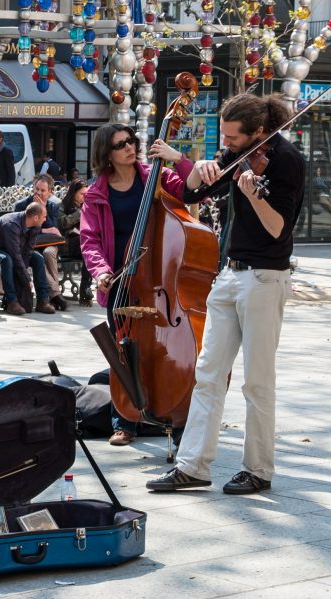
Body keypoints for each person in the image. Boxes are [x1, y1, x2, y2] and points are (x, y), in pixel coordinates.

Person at [146, 94, 305, 495]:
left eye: (234, 138)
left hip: (266, 278)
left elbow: (279, 230)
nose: (227, 144)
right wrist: (198, 174)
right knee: (208, 375)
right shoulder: (238, 150)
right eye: (227, 138)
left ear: (259, 131)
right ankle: (192, 466)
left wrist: (254, 196)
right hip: (230, 274)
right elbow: (191, 196)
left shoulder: (285, 160)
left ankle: (258, 469)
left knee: (257, 381)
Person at [79, 124, 192, 446]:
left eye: (131, 141)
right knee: (123, 353)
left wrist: (177, 159)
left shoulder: (156, 177)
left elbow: (194, 189)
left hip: (160, 280)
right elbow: (90, 240)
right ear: (107, 154)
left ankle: (175, 416)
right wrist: (100, 271)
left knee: (167, 350)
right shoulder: (97, 192)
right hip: (122, 282)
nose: (130, 147)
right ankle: (124, 420)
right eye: (120, 144)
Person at [0, 203, 56, 315]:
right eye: (44, 216)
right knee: (7, 260)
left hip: (14, 249)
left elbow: (28, 251)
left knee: (38, 259)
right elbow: (15, 255)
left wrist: (23, 277)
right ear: (36, 217)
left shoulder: (35, 225)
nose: (45, 219)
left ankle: (43, 301)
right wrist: (27, 279)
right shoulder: (11, 224)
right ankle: (12, 301)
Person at [14, 174, 68, 311]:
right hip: (28, 244)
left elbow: (53, 228)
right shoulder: (22, 205)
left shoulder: (53, 207)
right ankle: (55, 294)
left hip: (48, 244)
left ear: (50, 192)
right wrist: (44, 230)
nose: (38, 193)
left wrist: (43, 209)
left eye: (43, 191)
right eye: (37, 189)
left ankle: (52, 295)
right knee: (37, 258)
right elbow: (22, 230)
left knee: (49, 253)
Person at [57, 179, 94, 306]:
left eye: (86, 194)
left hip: (83, 244)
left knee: (90, 251)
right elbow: (61, 223)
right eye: (81, 194)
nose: (84, 197)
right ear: (73, 193)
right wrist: (79, 213)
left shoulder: (89, 206)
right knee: (87, 247)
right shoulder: (64, 205)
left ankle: (86, 289)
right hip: (67, 245)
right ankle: (85, 291)